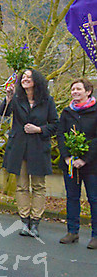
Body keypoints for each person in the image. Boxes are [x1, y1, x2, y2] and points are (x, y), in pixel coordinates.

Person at [0, 69, 59, 238]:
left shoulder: (47, 101)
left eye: (28, 77)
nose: (25, 79)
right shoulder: (17, 99)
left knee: (39, 186)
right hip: (19, 148)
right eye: (23, 77)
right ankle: (24, 221)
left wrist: (39, 129)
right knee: (21, 186)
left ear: (36, 81)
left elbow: (55, 124)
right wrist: (8, 98)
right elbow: (3, 113)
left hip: (39, 148)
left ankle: (35, 222)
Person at [56, 78, 97, 248]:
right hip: (70, 164)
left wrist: (85, 159)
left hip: (92, 164)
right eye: (73, 89)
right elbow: (61, 134)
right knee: (72, 197)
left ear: (88, 92)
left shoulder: (95, 111)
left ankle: (95, 235)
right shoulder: (67, 112)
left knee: (94, 199)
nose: (75, 92)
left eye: (78, 89)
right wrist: (67, 157)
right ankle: (72, 231)